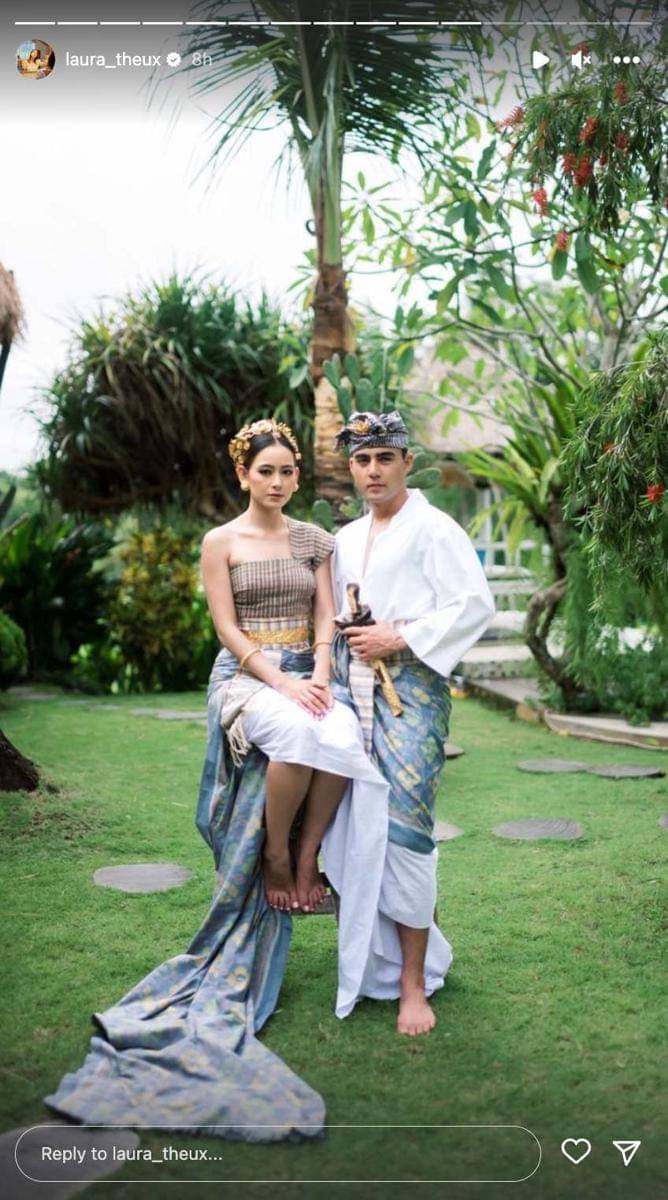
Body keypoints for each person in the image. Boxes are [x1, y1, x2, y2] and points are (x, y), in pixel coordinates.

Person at [44, 418, 389, 1141]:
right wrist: (281, 682)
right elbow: (227, 629)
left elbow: (326, 617)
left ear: (297, 476)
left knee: (342, 736)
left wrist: (320, 675)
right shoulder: (221, 542)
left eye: (287, 472)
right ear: (243, 475)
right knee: (296, 733)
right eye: (266, 471)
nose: (278, 482)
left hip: (307, 672)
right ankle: (275, 857)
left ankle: (306, 857)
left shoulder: (314, 541)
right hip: (245, 678)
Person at [326, 410, 495, 1037]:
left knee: (408, 830)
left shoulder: (435, 529)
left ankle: (412, 983)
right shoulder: (346, 538)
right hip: (353, 690)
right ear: (352, 468)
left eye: (384, 458)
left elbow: (474, 604)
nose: (373, 470)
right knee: (356, 822)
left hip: (413, 695)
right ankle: (375, 959)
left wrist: (397, 636)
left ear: (406, 463)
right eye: (362, 460)